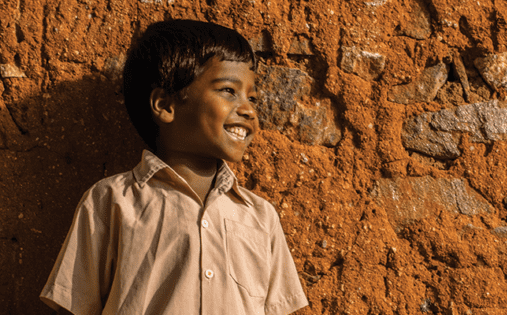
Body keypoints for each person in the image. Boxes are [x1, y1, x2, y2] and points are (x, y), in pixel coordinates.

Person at [40, 19, 308, 315]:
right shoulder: (111, 202)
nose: (248, 109)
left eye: (252, 97)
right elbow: (74, 307)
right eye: (229, 91)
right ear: (165, 105)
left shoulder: (260, 217)